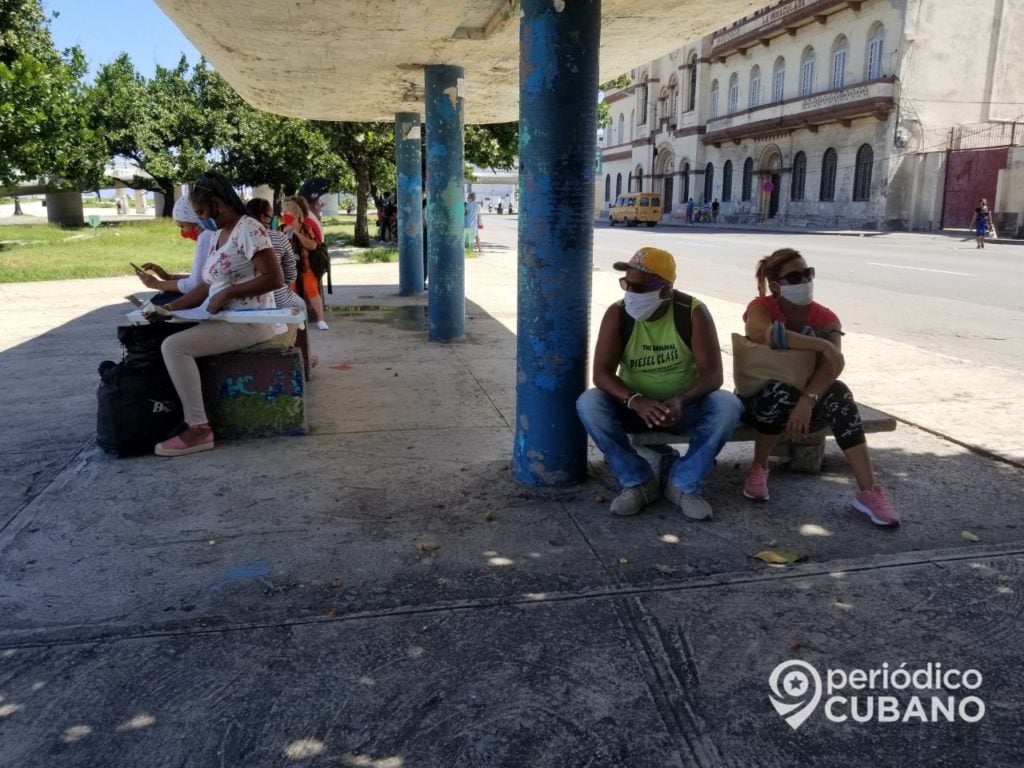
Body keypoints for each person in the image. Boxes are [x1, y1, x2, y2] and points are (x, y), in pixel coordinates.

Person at [576, 247, 743, 520]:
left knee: (728, 404)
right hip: (633, 408)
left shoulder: (692, 312)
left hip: (683, 409)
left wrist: (680, 400)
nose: (629, 293)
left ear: (665, 290)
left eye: (639, 288)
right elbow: (601, 374)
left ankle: (684, 485)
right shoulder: (617, 314)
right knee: (589, 403)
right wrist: (635, 401)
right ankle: (638, 483)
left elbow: (713, 375)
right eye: (625, 284)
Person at [737, 247, 900, 526]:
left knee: (841, 394)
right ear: (776, 286)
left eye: (807, 274)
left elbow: (832, 365)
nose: (804, 281)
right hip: (761, 401)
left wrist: (808, 401)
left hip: (807, 404)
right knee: (781, 391)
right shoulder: (761, 307)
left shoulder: (824, 317)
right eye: (794, 277)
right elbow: (760, 332)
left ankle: (868, 492)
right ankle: (759, 466)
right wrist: (820, 343)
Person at [150, 170, 284, 457]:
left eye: (200, 212)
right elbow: (204, 286)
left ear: (217, 203)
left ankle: (198, 429)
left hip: (251, 320)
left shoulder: (249, 229)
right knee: (163, 334)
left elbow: (274, 277)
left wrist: (228, 293)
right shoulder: (217, 236)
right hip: (224, 316)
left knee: (174, 347)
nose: (200, 219)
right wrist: (168, 308)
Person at [135, 196, 215, 305]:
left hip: (211, 297)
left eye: (182, 226)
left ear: (195, 222)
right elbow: (203, 278)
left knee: (157, 303)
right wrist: (168, 277)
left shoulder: (206, 235)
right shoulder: (211, 234)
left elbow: (195, 284)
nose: (183, 232)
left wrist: (157, 284)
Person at [282, 196, 328, 330]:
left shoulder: (306, 227)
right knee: (291, 291)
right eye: (283, 212)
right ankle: (296, 320)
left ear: (296, 213)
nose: (284, 215)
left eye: (287, 212)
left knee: (311, 288)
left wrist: (296, 233)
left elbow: (312, 245)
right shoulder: (281, 228)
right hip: (290, 267)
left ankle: (320, 319)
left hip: (306, 265)